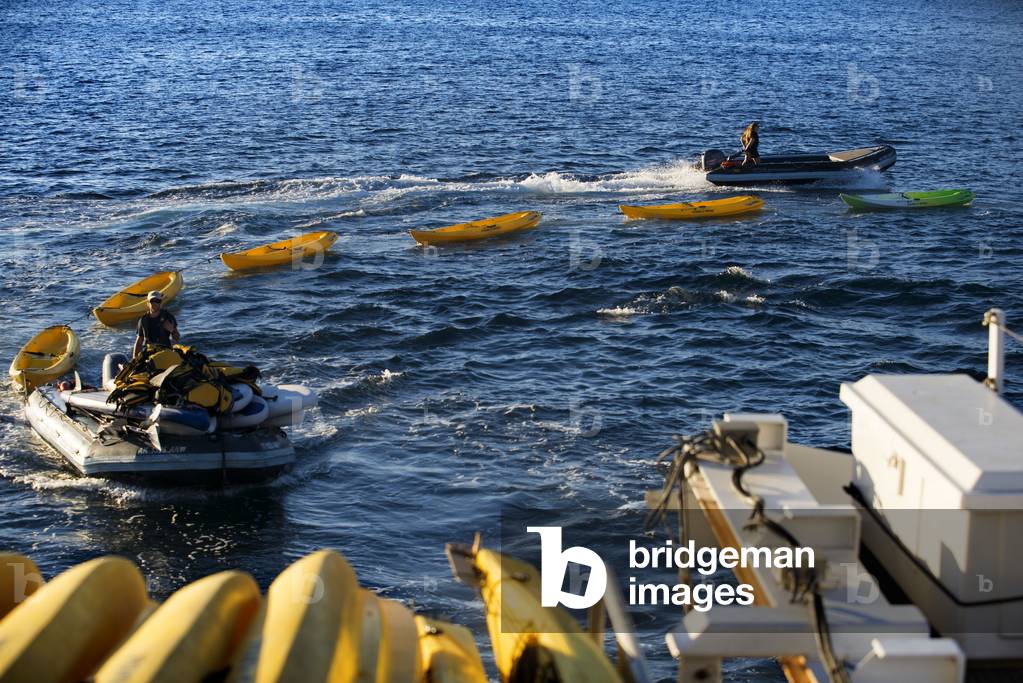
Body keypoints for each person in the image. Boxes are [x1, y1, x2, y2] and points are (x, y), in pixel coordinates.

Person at [133, 290, 180, 357]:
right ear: (148, 303)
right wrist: (134, 359)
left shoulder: (168, 317)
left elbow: (177, 338)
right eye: (152, 301)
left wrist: (172, 330)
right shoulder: (143, 320)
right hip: (149, 354)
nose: (155, 303)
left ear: (161, 303)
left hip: (165, 352)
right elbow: (139, 343)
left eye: (157, 301)